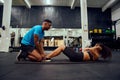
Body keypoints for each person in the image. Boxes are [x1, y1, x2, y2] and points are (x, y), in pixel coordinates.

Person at [45, 43, 112, 62]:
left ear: (99, 48)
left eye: (97, 46)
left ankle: (47, 57)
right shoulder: (93, 51)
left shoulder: (96, 55)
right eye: (95, 45)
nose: (95, 46)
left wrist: (96, 47)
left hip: (76, 57)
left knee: (62, 46)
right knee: (62, 47)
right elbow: (85, 49)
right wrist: (96, 47)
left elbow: (90, 49)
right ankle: (48, 56)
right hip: (77, 56)